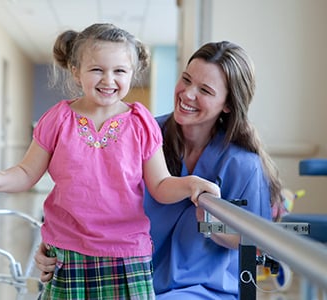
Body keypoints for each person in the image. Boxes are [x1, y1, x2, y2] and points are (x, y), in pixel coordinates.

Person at [0, 23, 220, 300]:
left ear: (132, 73)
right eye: (97, 69)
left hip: (126, 254)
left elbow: (160, 184)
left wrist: (190, 183)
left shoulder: (141, 122)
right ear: (76, 71)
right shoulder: (58, 119)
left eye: (119, 71)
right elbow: (26, 172)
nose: (108, 80)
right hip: (68, 251)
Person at [34, 40, 283, 299]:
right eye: (186, 80)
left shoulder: (243, 165)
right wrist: (57, 244)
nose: (187, 94)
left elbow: (257, 247)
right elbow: (88, 196)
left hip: (204, 289)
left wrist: (214, 226)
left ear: (228, 104)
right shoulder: (140, 132)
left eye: (205, 90)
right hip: (130, 276)